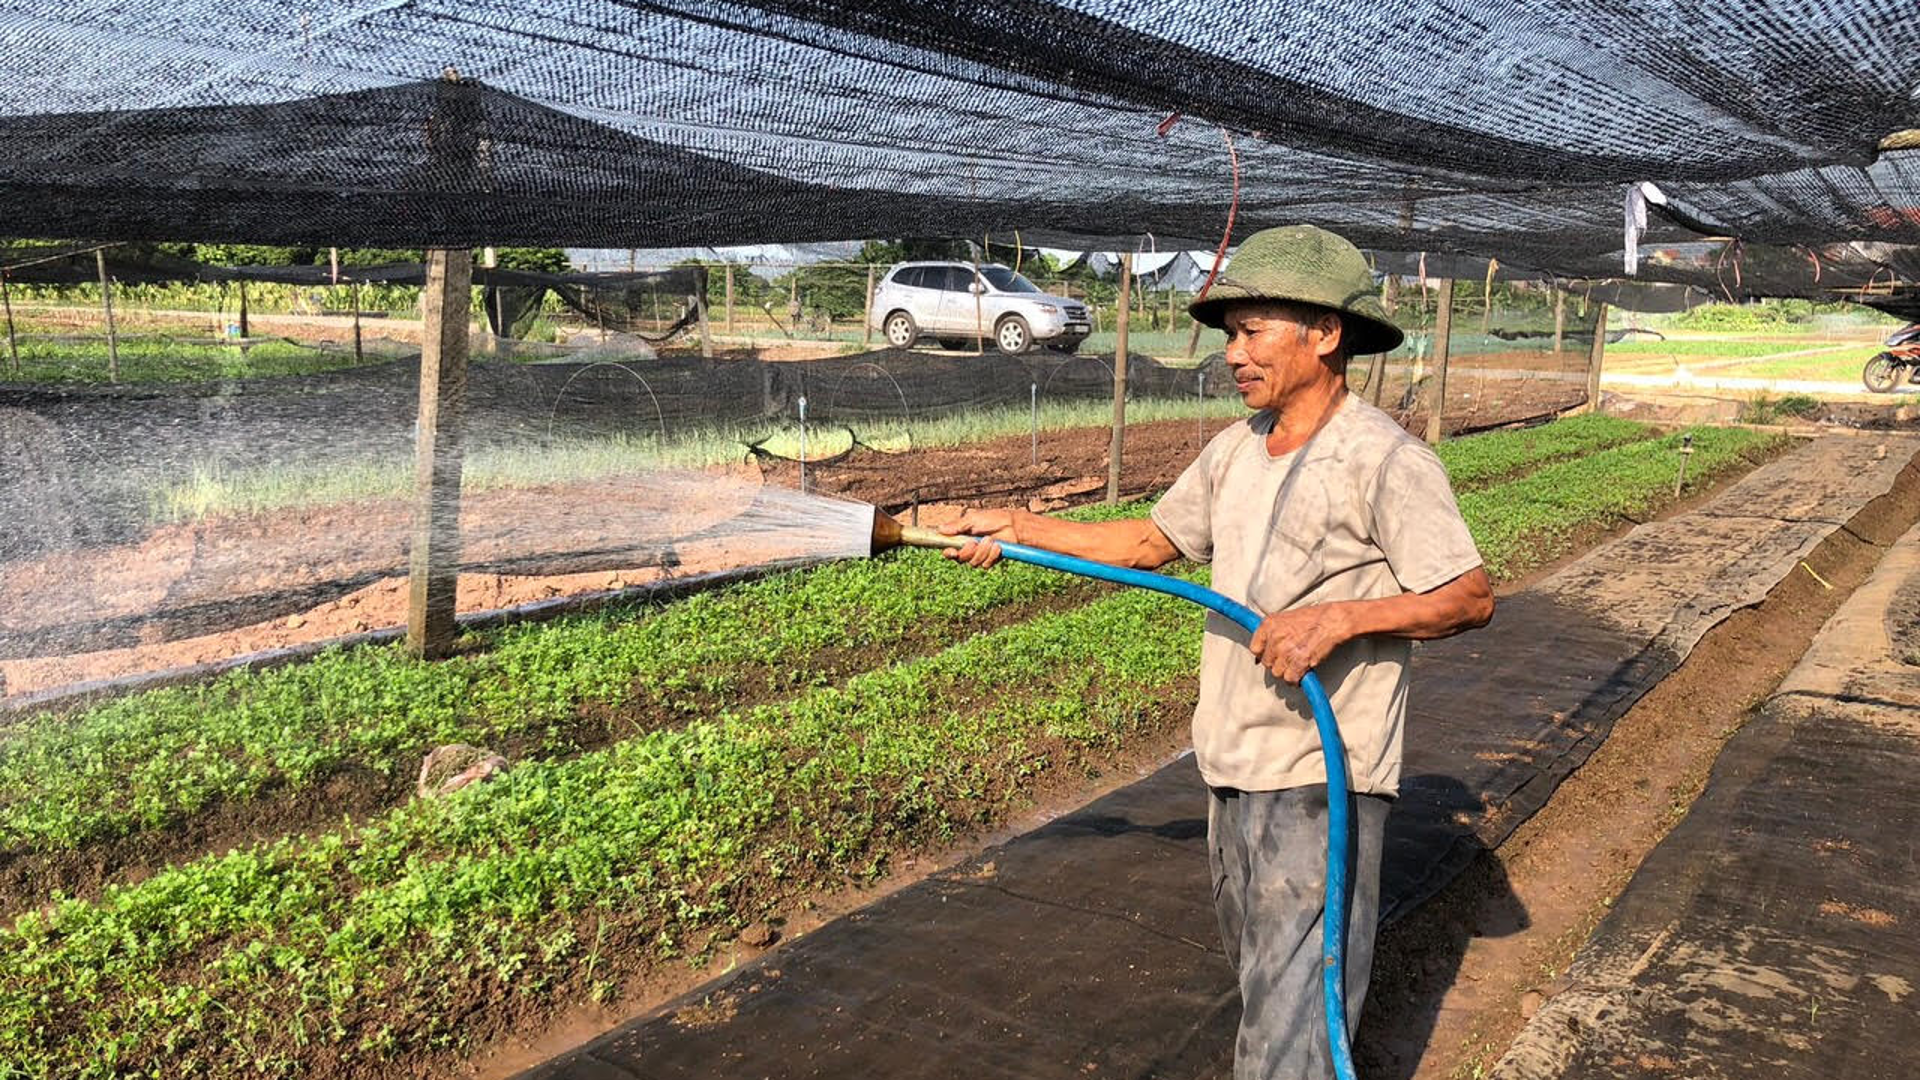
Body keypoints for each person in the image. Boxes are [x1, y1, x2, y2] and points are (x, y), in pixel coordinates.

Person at [940, 224, 1494, 1079]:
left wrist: (1339, 620)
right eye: (1230, 335)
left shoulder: (1385, 459)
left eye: (1254, 330)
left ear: (1326, 333)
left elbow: (1468, 596)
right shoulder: (1235, 450)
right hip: (1230, 766)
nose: (1234, 353)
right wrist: (1014, 528)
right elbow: (1149, 543)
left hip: (1322, 777)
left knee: (1290, 1024)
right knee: (1265, 987)